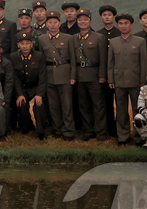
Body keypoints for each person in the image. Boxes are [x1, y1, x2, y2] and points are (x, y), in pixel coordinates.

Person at [107, 13, 147, 144]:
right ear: (117, 25)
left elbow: (144, 62)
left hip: (136, 81)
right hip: (119, 81)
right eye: (120, 23)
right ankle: (123, 137)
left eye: (126, 23)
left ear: (131, 25)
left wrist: (143, 81)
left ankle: (138, 136)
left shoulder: (139, 41)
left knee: (138, 110)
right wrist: (111, 80)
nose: (123, 26)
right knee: (121, 110)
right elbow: (110, 63)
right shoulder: (113, 42)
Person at [37, 11, 76, 140]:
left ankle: (69, 131)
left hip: (65, 74)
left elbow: (73, 59)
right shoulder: (42, 39)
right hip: (49, 75)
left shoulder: (68, 38)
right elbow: (41, 60)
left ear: (59, 24)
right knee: (53, 106)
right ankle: (57, 130)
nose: (53, 25)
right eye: (50, 22)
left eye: (55, 22)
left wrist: (73, 76)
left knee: (67, 105)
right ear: (46, 24)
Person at [73, 11, 110, 141]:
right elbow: (73, 60)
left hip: (94, 75)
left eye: (85, 19)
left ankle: (101, 133)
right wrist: (74, 76)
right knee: (83, 105)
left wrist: (102, 76)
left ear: (90, 21)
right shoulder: (74, 38)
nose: (82, 22)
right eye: (80, 20)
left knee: (98, 106)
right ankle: (88, 131)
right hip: (80, 76)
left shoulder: (99, 37)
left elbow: (103, 58)